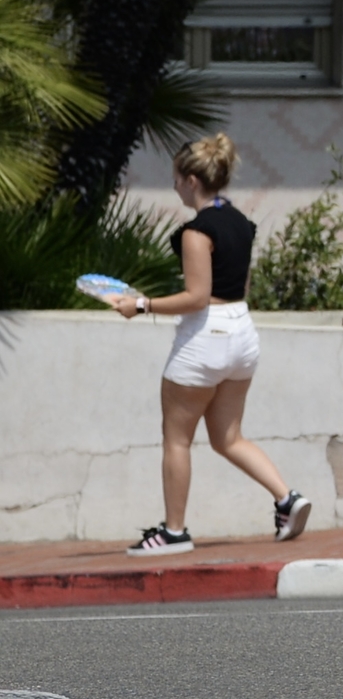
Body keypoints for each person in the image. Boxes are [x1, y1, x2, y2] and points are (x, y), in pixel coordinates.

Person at [106, 135, 313, 553]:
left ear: (193, 180)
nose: (175, 187)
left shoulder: (196, 232)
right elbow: (239, 285)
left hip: (205, 337)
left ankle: (175, 532)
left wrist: (140, 305)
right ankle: (287, 500)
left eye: (177, 179)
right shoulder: (240, 221)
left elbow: (197, 297)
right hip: (242, 332)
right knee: (228, 437)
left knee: (177, 439)